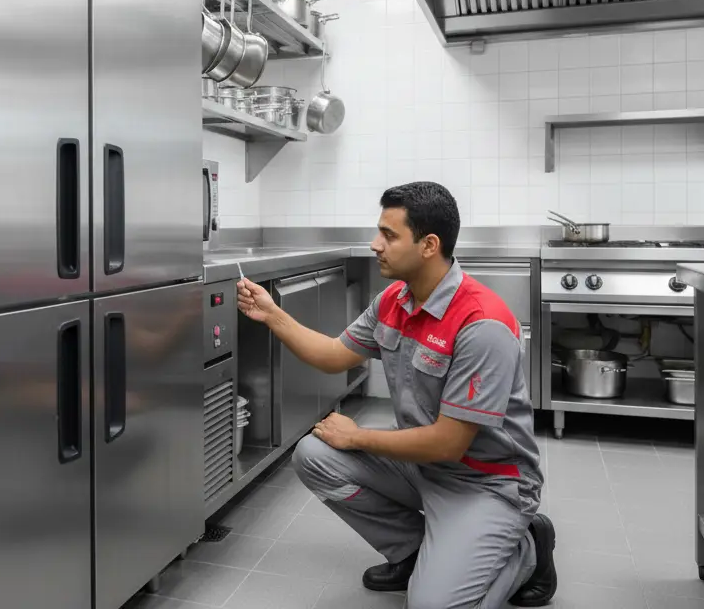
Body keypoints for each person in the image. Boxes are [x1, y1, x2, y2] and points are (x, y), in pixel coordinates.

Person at [236, 181, 556, 609]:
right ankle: (413, 551)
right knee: (313, 455)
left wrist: (358, 437)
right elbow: (334, 355)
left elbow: (448, 442)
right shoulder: (393, 300)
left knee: (432, 605)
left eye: (389, 235)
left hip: (486, 481)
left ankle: (527, 552)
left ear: (429, 245)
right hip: (421, 465)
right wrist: (271, 314)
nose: (375, 245)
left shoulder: (482, 324)